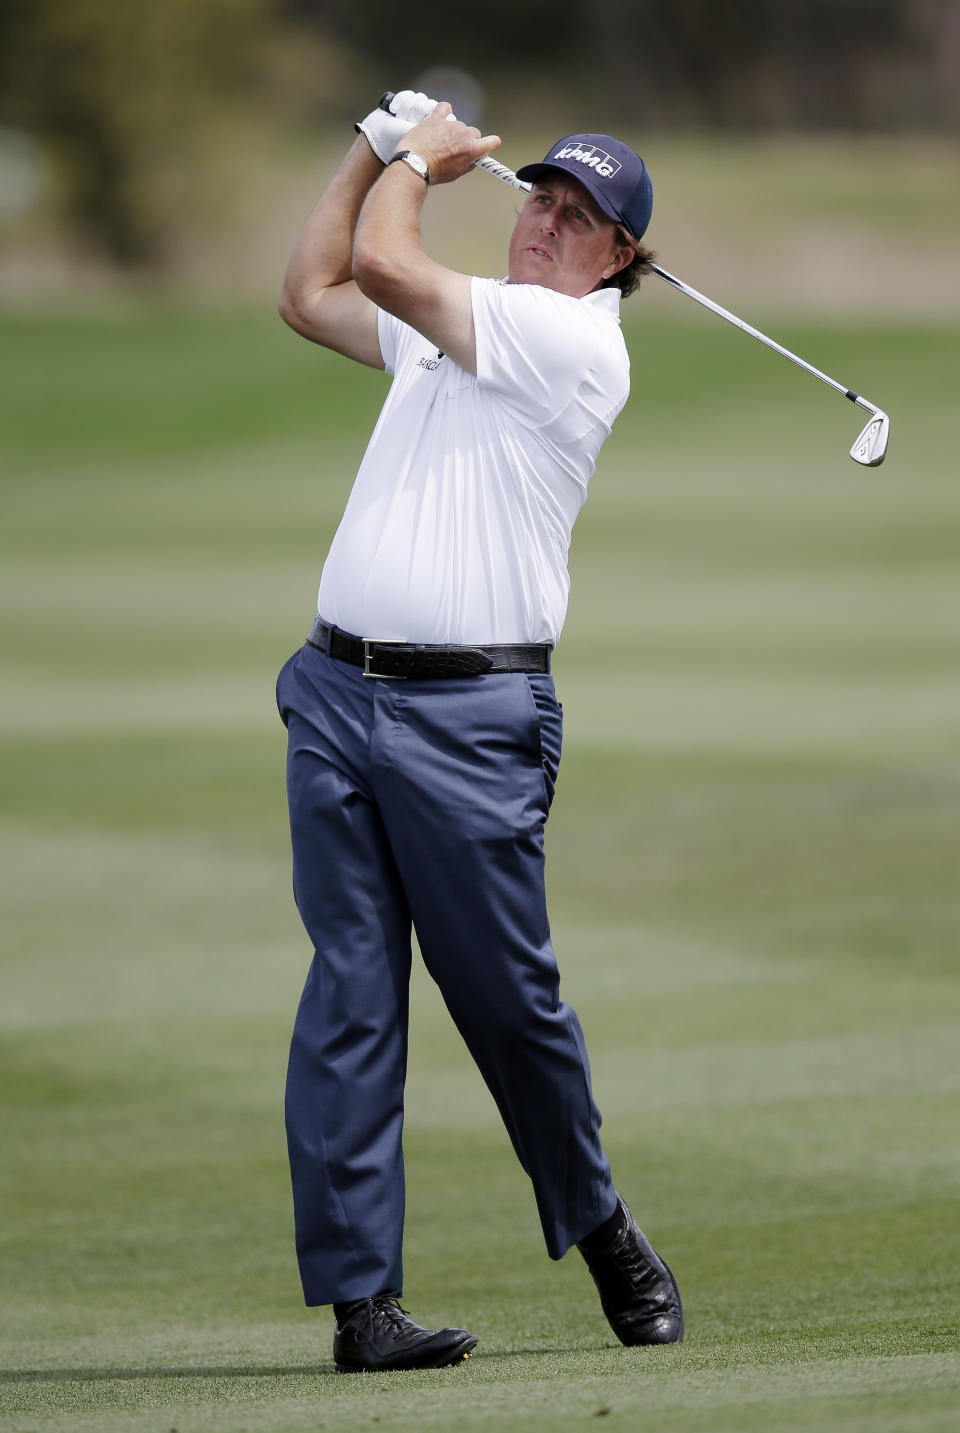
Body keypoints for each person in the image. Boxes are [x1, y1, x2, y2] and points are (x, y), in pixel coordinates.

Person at [275, 89, 684, 1373]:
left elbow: (390, 260)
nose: (547, 225)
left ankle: (603, 1223)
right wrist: (366, 148)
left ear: (621, 259)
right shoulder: (456, 330)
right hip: (336, 694)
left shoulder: (573, 345)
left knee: (509, 1006)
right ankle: (363, 1307)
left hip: (471, 717)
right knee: (349, 993)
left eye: (583, 219)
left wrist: (416, 159)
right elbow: (312, 289)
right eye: (543, 201)